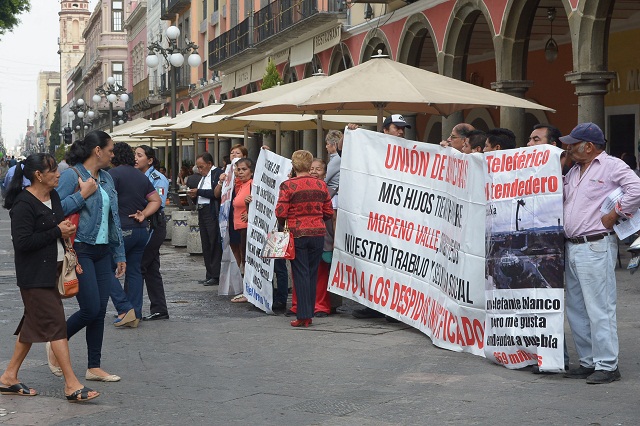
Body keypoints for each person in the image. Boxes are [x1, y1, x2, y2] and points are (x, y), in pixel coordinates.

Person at [0, 153, 100, 402]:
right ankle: (71, 384)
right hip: (34, 276)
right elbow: (23, 243)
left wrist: (64, 230)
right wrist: (57, 230)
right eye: (53, 170)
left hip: (54, 269)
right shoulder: (23, 205)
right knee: (56, 324)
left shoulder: (53, 196)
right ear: (38, 175)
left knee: (32, 325)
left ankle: (9, 376)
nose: (58, 174)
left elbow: (55, 225)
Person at [560, 122, 640, 384]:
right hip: (572, 244)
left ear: (589, 146)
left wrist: (616, 214)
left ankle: (607, 364)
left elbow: (636, 189)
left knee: (599, 308)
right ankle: (588, 361)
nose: (568, 147)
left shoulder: (612, 165)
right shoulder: (574, 171)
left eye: (573, 144)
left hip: (595, 244)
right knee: (577, 307)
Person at [55, 130, 126, 383]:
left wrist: (119, 253)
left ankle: (93, 367)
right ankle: (57, 341)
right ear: (98, 151)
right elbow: (56, 210)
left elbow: (113, 218)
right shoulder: (71, 175)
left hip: (103, 250)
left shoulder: (107, 178)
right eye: (110, 150)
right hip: (80, 248)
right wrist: (82, 194)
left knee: (100, 310)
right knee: (90, 308)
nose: (113, 154)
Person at [275, 150, 334, 327]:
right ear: (309, 165)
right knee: (312, 272)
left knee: (300, 273)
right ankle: (309, 312)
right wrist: (316, 219)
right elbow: (329, 212)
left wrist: (285, 222)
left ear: (294, 165)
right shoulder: (321, 185)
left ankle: (304, 315)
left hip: (297, 232)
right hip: (317, 233)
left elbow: (280, 212)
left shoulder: (288, 185)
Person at [108, 143, 161, 327]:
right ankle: (135, 312)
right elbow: (156, 200)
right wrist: (144, 214)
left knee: (104, 269)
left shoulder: (112, 175)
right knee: (135, 271)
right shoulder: (141, 176)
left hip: (122, 229)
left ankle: (125, 309)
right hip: (140, 230)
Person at [135, 145, 171, 321]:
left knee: (140, 265)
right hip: (143, 223)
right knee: (151, 268)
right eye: (135, 154)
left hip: (154, 224)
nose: (135, 158)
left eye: (139, 155)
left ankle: (133, 309)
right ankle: (159, 308)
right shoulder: (137, 177)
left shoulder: (158, 178)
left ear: (149, 160)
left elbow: (159, 202)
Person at [187, 152, 223, 286]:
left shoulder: (216, 174)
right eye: (198, 167)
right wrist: (194, 196)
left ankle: (216, 274)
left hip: (212, 212)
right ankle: (209, 273)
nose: (200, 170)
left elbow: (215, 193)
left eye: (202, 167)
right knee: (206, 243)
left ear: (209, 164)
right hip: (202, 210)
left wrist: (199, 192)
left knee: (213, 242)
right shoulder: (203, 177)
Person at [229, 158, 253, 303]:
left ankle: (248, 292)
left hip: (246, 228)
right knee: (244, 259)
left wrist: (250, 212)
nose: (240, 172)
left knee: (247, 260)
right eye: (238, 169)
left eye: (244, 169)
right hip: (239, 227)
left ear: (251, 171)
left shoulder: (252, 185)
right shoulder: (242, 185)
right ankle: (247, 290)